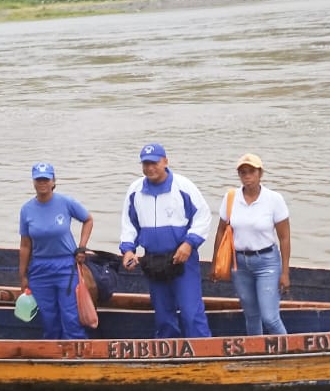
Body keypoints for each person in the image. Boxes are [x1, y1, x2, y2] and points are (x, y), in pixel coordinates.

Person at [119, 143, 212, 338]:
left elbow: (203, 216)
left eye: (154, 163)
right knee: (163, 315)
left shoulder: (183, 186)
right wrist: (128, 249)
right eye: (146, 164)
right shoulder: (135, 190)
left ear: (165, 162)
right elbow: (129, 224)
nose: (150, 168)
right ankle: (167, 349)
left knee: (191, 313)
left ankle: (203, 349)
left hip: (182, 259)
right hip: (153, 260)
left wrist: (189, 244)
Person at [212, 153, 291, 335]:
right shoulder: (231, 198)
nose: (247, 176)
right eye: (243, 172)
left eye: (251, 171)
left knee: (270, 317)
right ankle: (257, 349)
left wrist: (285, 273)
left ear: (260, 173)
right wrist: (216, 262)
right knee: (251, 316)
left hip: (267, 262)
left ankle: (288, 349)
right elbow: (221, 231)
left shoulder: (274, 199)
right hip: (239, 264)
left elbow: (284, 238)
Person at [18, 162, 95, 339]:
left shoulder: (65, 202)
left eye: (46, 179)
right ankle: (53, 350)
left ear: (53, 181)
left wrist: (82, 247)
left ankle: (76, 350)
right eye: (38, 180)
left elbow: (88, 220)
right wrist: (22, 275)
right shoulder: (26, 210)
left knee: (70, 317)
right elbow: (25, 245)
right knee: (48, 318)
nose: (42, 183)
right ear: (33, 182)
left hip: (66, 267)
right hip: (39, 269)